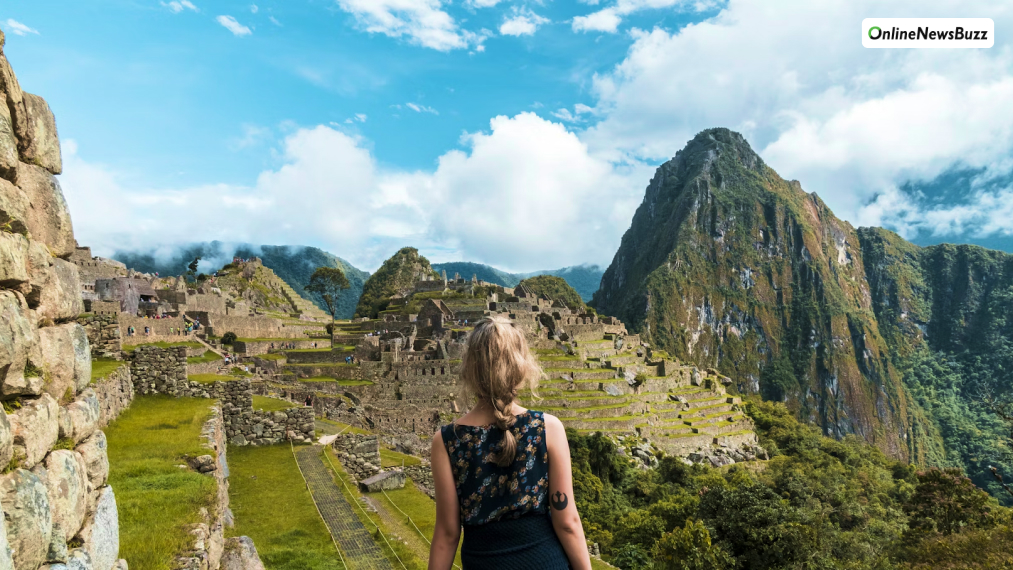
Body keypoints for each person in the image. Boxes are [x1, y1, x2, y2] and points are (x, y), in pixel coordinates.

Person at [429, 316, 591, 570]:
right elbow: (567, 521)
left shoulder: (448, 441)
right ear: (520, 366)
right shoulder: (547, 428)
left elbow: (448, 535)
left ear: (471, 369)